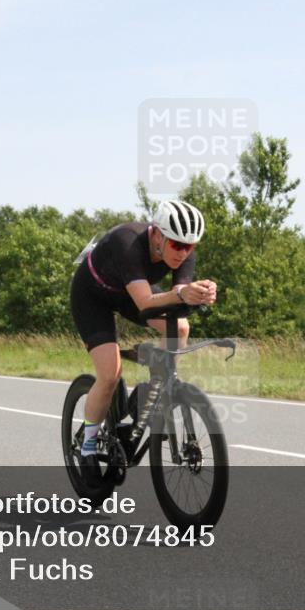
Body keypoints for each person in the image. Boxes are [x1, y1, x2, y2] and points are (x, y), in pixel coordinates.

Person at [69, 200, 217, 476]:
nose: (184, 253)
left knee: (181, 328)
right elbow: (146, 302)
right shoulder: (127, 242)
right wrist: (183, 294)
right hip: (93, 297)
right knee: (110, 375)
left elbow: (178, 298)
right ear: (157, 234)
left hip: (130, 294)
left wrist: (200, 294)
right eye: (177, 245)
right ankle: (87, 447)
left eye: (191, 246)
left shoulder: (183, 251)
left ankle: (152, 389)